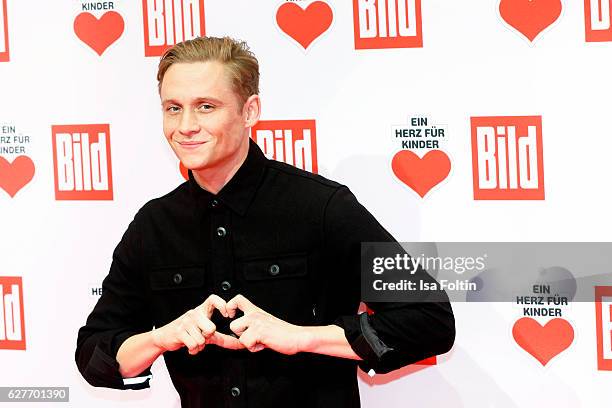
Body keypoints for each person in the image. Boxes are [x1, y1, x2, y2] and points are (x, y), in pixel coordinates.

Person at [75, 36, 455, 408]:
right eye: (173, 108)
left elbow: (429, 320)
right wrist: (162, 338)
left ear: (250, 110)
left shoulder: (321, 207)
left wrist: (302, 337)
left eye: (206, 106)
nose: (186, 125)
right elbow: (95, 351)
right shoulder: (153, 226)